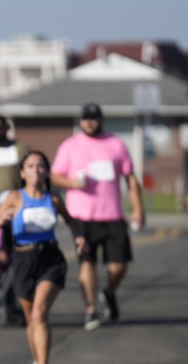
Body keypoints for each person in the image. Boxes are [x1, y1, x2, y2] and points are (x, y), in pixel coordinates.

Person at [0, 151, 85, 364]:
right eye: (30, 166)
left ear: (46, 171)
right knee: (32, 319)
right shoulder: (14, 197)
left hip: (50, 259)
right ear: (22, 172)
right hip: (23, 261)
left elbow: (72, 222)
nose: (36, 170)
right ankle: (38, 361)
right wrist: (0, 220)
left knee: (40, 313)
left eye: (40, 166)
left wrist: (79, 238)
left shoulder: (54, 199)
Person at [50, 102, 145, 330]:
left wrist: (138, 209)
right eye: (85, 119)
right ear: (80, 121)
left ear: (101, 120)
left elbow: (130, 178)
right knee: (87, 262)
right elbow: (54, 176)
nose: (89, 123)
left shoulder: (116, 144)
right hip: (82, 216)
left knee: (119, 265)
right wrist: (72, 183)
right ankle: (91, 309)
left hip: (112, 214)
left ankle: (109, 291)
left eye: (93, 118)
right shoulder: (70, 145)